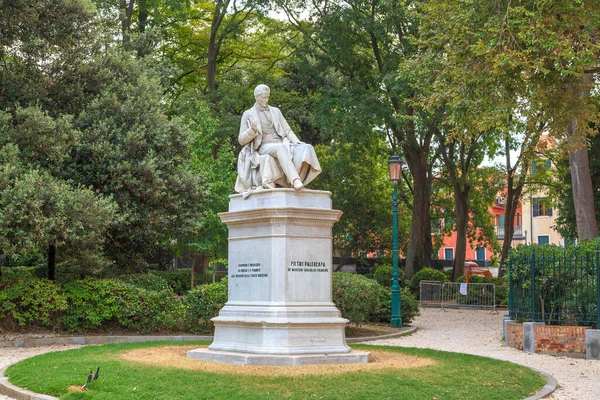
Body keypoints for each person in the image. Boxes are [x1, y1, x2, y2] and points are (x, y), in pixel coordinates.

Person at [235, 84, 321, 194]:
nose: (266, 100)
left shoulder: (276, 111)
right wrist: (251, 130)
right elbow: (241, 140)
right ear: (256, 97)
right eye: (263, 97)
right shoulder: (248, 114)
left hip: (283, 143)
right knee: (280, 148)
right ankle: (295, 180)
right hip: (263, 146)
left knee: (307, 148)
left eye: (268, 97)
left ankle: (299, 182)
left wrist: (297, 142)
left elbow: (287, 130)